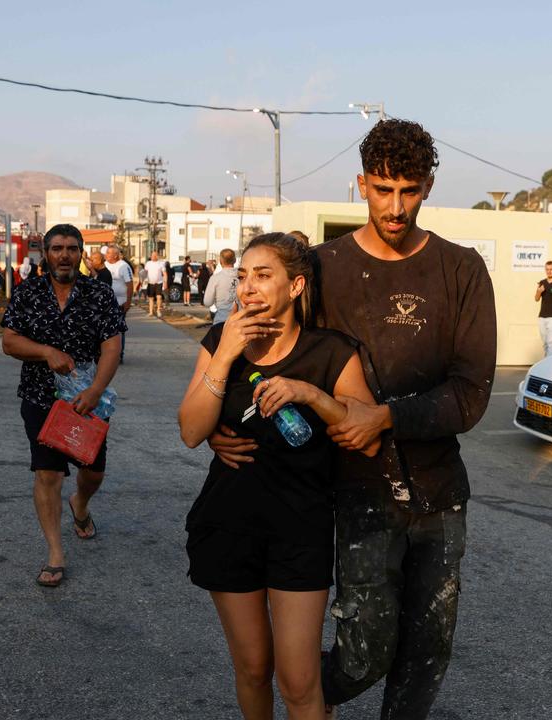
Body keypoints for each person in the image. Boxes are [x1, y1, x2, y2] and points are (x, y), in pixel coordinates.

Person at [210, 119, 497, 719]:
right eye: (383, 188)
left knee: (427, 651)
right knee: (363, 652)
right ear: (361, 184)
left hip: (439, 493)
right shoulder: (319, 269)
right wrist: (221, 418)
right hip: (352, 492)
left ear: (428, 187)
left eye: (410, 190)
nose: (395, 206)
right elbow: (265, 350)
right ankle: (296, 694)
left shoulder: (462, 269)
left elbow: (470, 396)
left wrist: (384, 416)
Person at [178, 232, 378, 720]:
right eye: (243, 276)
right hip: (228, 524)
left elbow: (366, 435)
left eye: (263, 275)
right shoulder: (220, 341)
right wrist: (225, 355)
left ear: (296, 286)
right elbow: (190, 430)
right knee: (251, 669)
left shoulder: (331, 353)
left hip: (300, 529)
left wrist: (310, 395)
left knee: (299, 680)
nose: (247, 287)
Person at [0, 224, 127, 588]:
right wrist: (45, 352)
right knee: (47, 474)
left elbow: (112, 347)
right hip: (40, 398)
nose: (64, 255)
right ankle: (56, 553)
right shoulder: (27, 293)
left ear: (81, 253)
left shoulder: (99, 294)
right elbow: (9, 342)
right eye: (57, 248)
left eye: (72, 248)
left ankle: (81, 505)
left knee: (94, 472)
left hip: (87, 401)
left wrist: (96, 391)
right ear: (46, 253)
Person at [104, 246, 134, 362]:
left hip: (120, 302)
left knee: (118, 329)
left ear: (115, 255)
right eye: (106, 252)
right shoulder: (105, 264)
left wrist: (128, 302)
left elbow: (130, 284)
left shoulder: (124, 266)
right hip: (106, 303)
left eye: (108, 253)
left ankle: (119, 354)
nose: (106, 254)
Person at [203, 248, 239, 325]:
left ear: (220, 261)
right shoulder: (242, 277)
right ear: (235, 260)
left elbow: (207, 302)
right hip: (239, 320)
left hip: (221, 320)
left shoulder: (215, 278)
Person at [144, 250, 167, 318]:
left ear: (157, 256)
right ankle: (151, 312)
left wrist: (165, 283)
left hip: (159, 283)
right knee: (151, 298)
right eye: (152, 255)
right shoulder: (148, 263)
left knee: (159, 297)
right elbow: (145, 272)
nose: (153, 256)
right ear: (151, 256)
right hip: (150, 283)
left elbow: (165, 274)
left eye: (155, 255)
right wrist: (144, 280)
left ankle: (158, 311)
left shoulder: (161, 263)